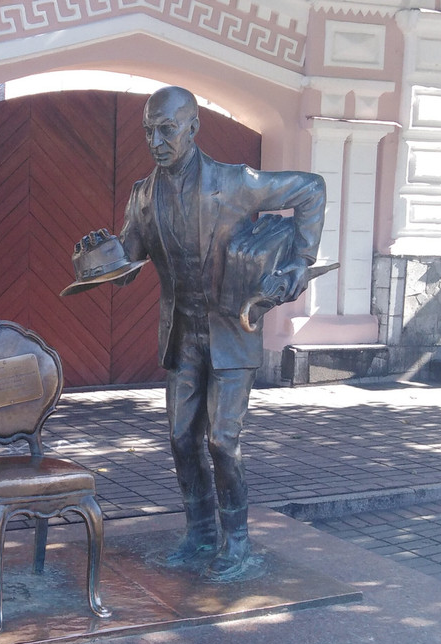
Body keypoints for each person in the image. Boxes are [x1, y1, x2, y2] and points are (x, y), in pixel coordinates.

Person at [113, 85, 325, 581]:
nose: (156, 140)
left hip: (232, 330)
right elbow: (129, 259)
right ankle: (200, 531)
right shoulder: (144, 196)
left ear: (192, 127)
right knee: (181, 438)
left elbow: (311, 189)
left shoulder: (235, 183)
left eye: (166, 129)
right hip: (182, 334)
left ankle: (237, 540)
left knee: (222, 443)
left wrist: (300, 261)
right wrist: (100, 263)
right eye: (149, 130)